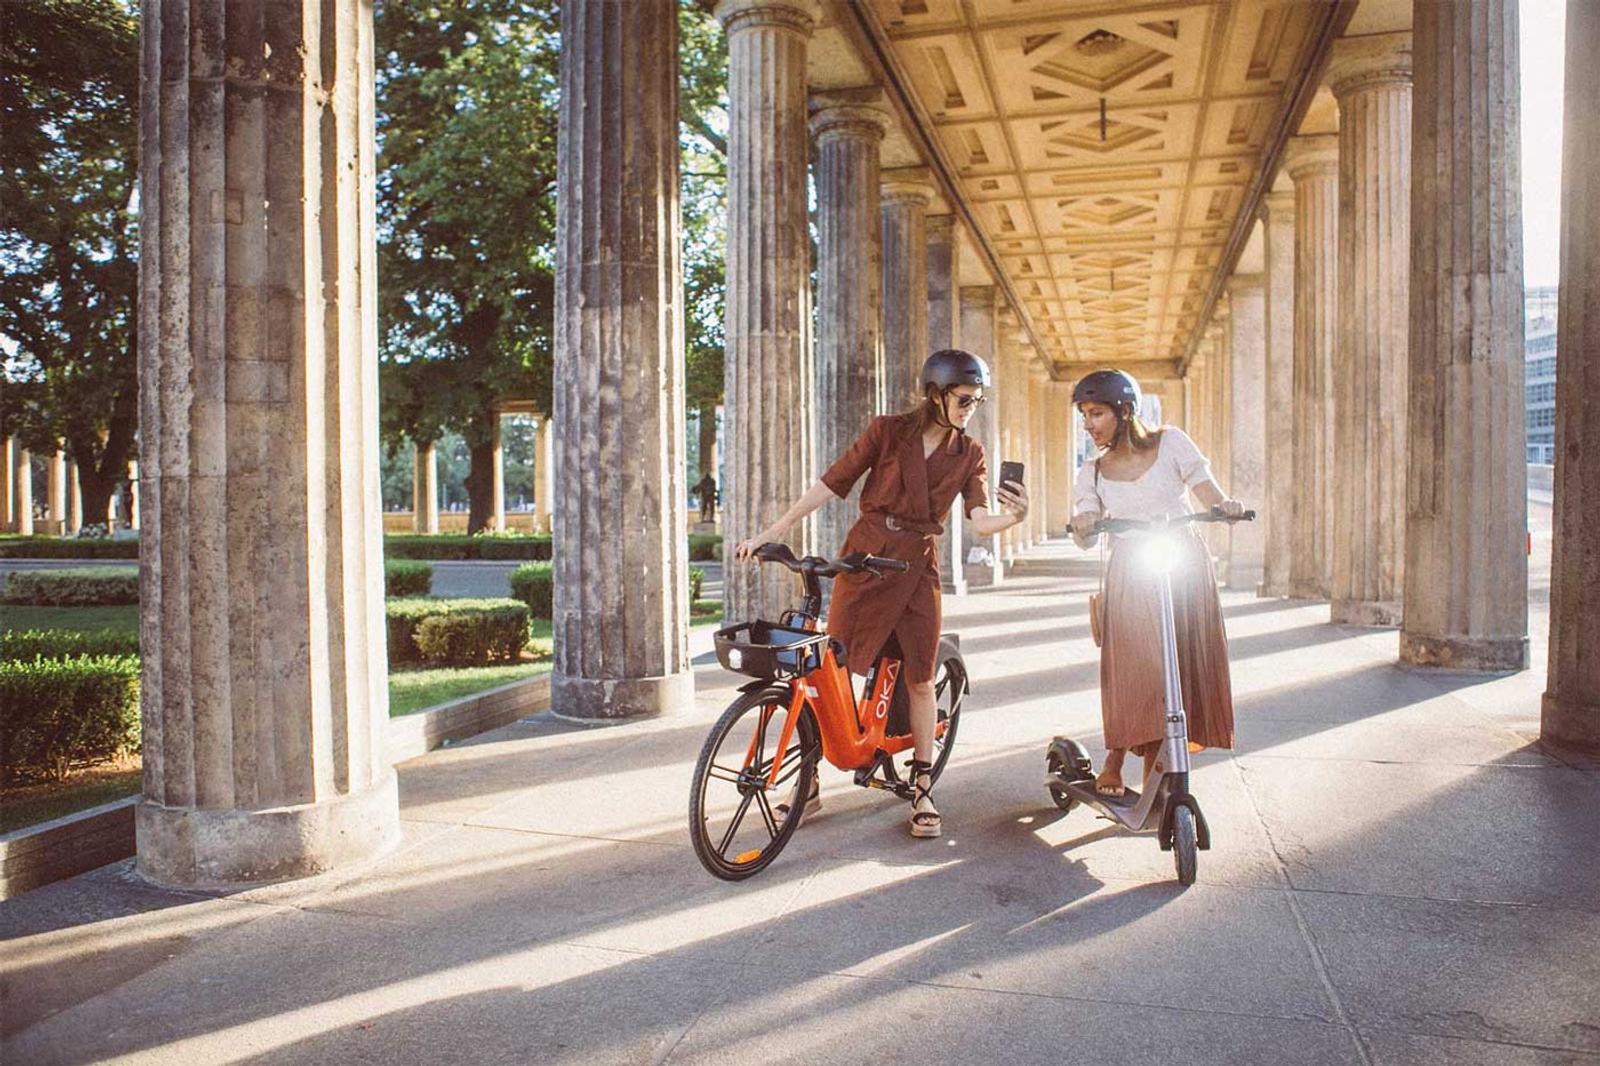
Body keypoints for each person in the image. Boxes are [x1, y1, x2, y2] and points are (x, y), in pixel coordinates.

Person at [735, 350, 1029, 837]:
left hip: (917, 566)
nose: (970, 407)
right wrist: (775, 529)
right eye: (962, 398)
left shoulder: (969, 453)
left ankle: (922, 787)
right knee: (834, 667)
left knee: (918, 676)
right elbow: (833, 482)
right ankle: (807, 785)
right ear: (935, 393)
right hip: (865, 557)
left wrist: (1015, 517)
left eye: (977, 400)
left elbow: (978, 519)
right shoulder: (888, 431)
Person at [1069, 369, 1242, 797]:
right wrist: (1084, 523)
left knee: (1178, 660)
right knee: (1136, 664)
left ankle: (1157, 768)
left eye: (1096, 413)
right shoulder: (1091, 472)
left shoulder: (1172, 442)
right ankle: (1115, 757)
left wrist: (1227, 506)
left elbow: (1208, 493)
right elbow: (1085, 535)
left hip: (1181, 559)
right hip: (1131, 566)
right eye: (1084, 415)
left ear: (1125, 411)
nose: (1088, 424)